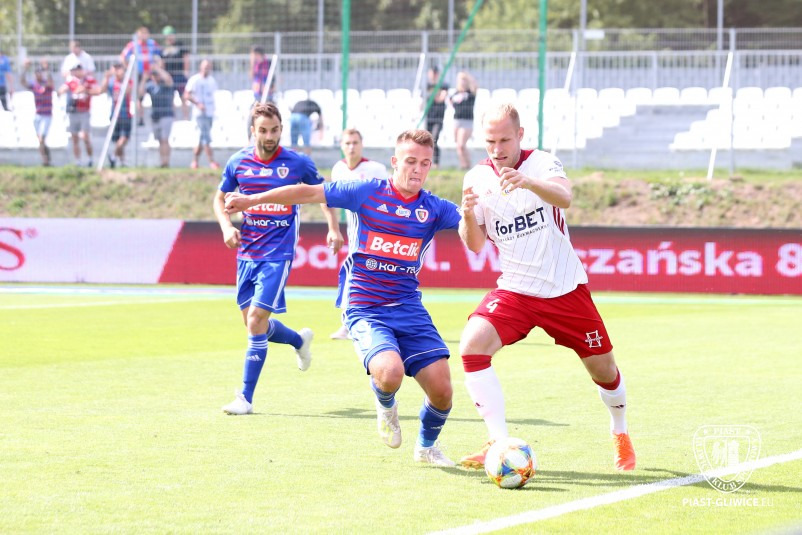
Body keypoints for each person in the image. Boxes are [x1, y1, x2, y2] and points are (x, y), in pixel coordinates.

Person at [225, 129, 463, 467]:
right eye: (410, 161)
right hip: (365, 306)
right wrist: (251, 201)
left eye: (425, 163)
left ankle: (426, 447)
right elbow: (307, 192)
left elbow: (476, 229)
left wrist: (477, 211)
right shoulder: (367, 191)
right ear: (395, 162)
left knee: (443, 390)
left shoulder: (434, 208)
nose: (417, 169)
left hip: (409, 306)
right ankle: (385, 404)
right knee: (390, 373)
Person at [457, 103, 636, 471]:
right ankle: (497, 442)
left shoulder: (542, 163)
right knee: (471, 346)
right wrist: (466, 215)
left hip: (564, 290)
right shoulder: (476, 177)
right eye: (490, 141)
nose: (497, 149)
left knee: (604, 370)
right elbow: (474, 244)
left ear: (520, 135)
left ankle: (619, 430)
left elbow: (565, 197)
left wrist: (528, 182)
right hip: (516, 291)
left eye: (504, 140)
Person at [212, 102, 343, 416]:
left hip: (278, 252)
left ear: (282, 129)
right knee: (254, 323)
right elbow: (219, 198)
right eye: (263, 130)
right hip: (247, 251)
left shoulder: (297, 163)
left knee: (256, 320)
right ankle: (298, 340)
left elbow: (323, 193)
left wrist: (333, 227)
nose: (269, 136)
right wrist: (226, 226)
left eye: (274, 130)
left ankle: (245, 398)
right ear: (253, 131)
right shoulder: (238, 162)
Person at [328, 128, 389, 340]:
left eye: (355, 142)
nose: (351, 147)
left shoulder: (376, 169)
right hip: (356, 234)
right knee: (353, 274)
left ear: (361, 145)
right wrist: (333, 228)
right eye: (347, 143)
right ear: (341, 146)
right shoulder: (339, 169)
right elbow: (328, 200)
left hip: (380, 235)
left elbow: (390, 196)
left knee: (381, 276)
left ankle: (377, 322)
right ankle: (348, 324)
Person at [58, 63, 98, 167]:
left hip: (84, 111)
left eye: (78, 70)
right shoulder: (71, 81)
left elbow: (98, 91)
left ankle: (90, 159)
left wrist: (86, 90)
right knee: (75, 138)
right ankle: (78, 161)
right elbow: (61, 90)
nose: (77, 72)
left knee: (85, 137)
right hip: (73, 112)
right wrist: (63, 91)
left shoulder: (89, 80)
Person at [120, 26, 161, 125]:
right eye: (142, 34)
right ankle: (140, 118)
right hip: (138, 74)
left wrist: (157, 67)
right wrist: (129, 69)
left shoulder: (152, 44)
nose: (144, 36)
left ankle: (155, 115)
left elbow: (160, 55)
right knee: (138, 96)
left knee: (155, 93)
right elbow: (122, 57)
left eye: (146, 34)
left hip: (150, 74)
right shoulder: (133, 45)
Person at [184, 59, 220, 169]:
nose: (206, 69)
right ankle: (212, 162)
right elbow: (187, 95)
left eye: (208, 66)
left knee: (202, 138)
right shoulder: (194, 80)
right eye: (205, 66)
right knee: (206, 137)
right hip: (199, 114)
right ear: (200, 67)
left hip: (209, 113)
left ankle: (194, 161)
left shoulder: (212, 81)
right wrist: (198, 104)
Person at [21, 59, 54, 166]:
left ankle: (45, 161)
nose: (38, 75)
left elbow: (50, 82)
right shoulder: (34, 85)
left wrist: (46, 69)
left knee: (41, 139)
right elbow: (23, 82)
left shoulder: (47, 84)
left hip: (47, 115)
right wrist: (25, 69)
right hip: (38, 115)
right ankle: (46, 159)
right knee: (40, 140)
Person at [143, 60, 175, 167]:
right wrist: (144, 78)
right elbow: (140, 93)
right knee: (160, 141)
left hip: (166, 115)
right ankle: (163, 162)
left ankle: (166, 162)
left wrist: (158, 68)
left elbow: (169, 80)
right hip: (155, 116)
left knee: (165, 139)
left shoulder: (165, 83)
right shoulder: (150, 86)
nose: (156, 76)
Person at [102, 62, 134, 168]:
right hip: (114, 114)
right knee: (117, 140)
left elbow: (129, 90)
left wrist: (123, 77)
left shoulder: (127, 80)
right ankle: (122, 161)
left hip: (125, 114)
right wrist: (106, 77)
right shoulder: (111, 81)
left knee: (124, 138)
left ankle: (113, 156)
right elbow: (103, 89)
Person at [159, 26, 190, 120]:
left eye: (171, 35)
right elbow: (162, 62)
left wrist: (186, 71)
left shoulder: (180, 45)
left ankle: (185, 117)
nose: (169, 37)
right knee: (170, 97)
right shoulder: (163, 48)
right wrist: (163, 75)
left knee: (183, 97)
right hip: (169, 76)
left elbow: (186, 59)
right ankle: (173, 118)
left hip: (179, 75)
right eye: (167, 35)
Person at [448, 71, 477, 170]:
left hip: (467, 121)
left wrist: (468, 77)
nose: (462, 81)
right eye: (460, 79)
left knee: (461, 145)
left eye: (464, 79)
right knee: (458, 145)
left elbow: (475, 86)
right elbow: (451, 102)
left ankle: (467, 165)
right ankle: (463, 165)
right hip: (457, 120)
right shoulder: (456, 93)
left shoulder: (471, 92)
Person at [424, 66, 448, 168]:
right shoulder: (426, 85)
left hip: (438, 117)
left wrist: (433, 92)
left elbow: (440, 98)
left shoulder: (443, 85)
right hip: (428, 117)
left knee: (434, 139)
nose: (433, 75)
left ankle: (436, 163)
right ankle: (427, 161)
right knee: (427, 140)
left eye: (435, 73)